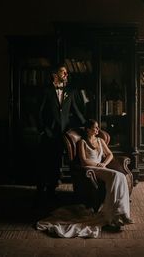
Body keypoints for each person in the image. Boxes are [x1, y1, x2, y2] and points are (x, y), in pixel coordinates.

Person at [37, 63, 85, 198]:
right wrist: (43, 130)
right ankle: (40, 190)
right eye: (63, 72)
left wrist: (87, 126)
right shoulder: (46, 91)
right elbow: (38, 112)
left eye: (66, 72)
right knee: (45, 161)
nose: (66, 74)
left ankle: (52, 190)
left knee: (57, 161)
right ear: (54, 75)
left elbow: (75, 111)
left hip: (63, 133)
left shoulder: (70, 92)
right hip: (49, 132)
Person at [78, 119, 133, 228]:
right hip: (90, 168)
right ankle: (110, 214)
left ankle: (123, 213)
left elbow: (110, 154)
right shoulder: (82, 142)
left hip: (101, 167)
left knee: (121, 176)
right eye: (95, 127)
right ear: (88, 129)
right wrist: (96, 165)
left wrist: (103, 164)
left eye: (98, 127)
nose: (98, 129)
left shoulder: (100, 140)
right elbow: (83, 160)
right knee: (116, 175)